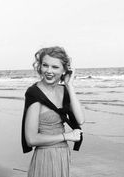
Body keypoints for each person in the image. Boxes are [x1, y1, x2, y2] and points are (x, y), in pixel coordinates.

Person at [21, 46, 85, 177]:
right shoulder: (35, 93)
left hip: (63, 154)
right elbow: (31, 139)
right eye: (45, 65)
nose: (48, 71)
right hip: (45, 155)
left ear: (64, 70)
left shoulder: (64, 90)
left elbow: (80, 120)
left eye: (55, 67)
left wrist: (69, 86)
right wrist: (66, 136)